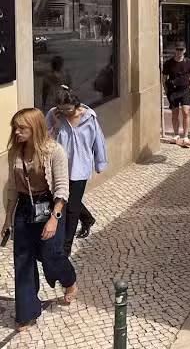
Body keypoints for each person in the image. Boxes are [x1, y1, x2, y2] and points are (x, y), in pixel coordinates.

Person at [3, 109, 78, 331]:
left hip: (51, 206)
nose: (16, 132)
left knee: (51, 254)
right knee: (23, 260)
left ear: (35, 128)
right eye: (15, 127)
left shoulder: (55, 151)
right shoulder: (15, 152)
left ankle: (69, 280)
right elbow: (12, 188)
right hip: (25, 208)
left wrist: (54, 219)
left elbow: (63, 188)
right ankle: (26, 313)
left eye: (22, 128)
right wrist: (8, 218)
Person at [46, 87, 106, 254]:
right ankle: (87, 218)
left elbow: (98, 140)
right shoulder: (54, 115)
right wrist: (57, 126)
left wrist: (100, 162)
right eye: (61, 109)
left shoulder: (88, 117)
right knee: (64, 200)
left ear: (75, 104)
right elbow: (44, 139)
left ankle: (65, 249)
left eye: (68, 109)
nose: (64, 112)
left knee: (71, 209)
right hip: (59, 168)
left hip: (80, 167)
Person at [162, 43, 190, 147]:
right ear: (175, 50)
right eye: (177, 49)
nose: (179, 51)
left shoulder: (189, 63)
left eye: (181, 49)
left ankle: (186, 136)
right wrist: (167, 91)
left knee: (186, 112)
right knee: (174, 114)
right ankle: (176, 134)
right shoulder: (168, 63)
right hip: (173, 91)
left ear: (184, 50)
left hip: (185, 90)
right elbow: (163, 78)